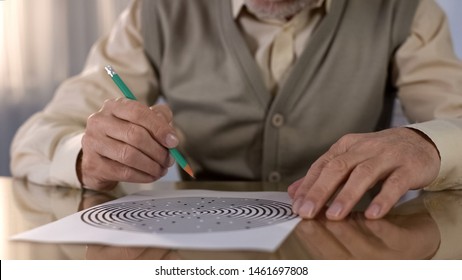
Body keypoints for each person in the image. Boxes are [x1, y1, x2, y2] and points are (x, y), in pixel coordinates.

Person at [10, 0, 462, 221]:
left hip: (352, 249)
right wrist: (86, 153)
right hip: (200, 257)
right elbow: (38, 136)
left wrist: (426, 144)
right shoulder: (157, 10)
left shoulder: (407, 9)